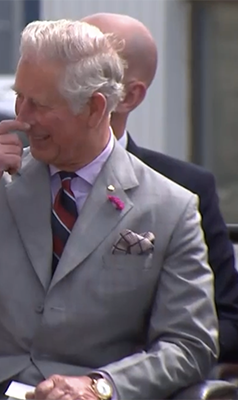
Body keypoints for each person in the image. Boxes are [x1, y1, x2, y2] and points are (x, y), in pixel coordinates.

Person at [0, 19, 218, 400]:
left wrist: (102, 386)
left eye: (39, 104)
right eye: (19, 97)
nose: (22, 116)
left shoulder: (170, 207)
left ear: (94, 108)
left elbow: (189, 345)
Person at [81, 12, 238, 363]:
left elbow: (226, 321)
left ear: (128, 96)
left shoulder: (184, 190)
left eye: (80, 71)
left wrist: (139, 368)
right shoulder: (7, 177)